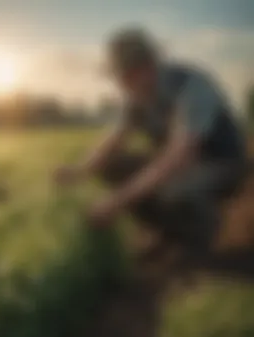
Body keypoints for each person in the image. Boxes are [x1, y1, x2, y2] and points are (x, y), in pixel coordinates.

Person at [54, 27, 247, 260]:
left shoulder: (192, 86)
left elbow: (179, 156)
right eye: (119, 76)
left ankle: (204, 233)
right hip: (181, 163)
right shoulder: (137, 95)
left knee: (174, 191)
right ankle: (164, 231)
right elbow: (113, 141)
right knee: (112, 166)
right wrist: (78, 171)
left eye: (125, 74)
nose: (121, 83)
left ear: (147, 65)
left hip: (222, 163)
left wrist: (116, 201)